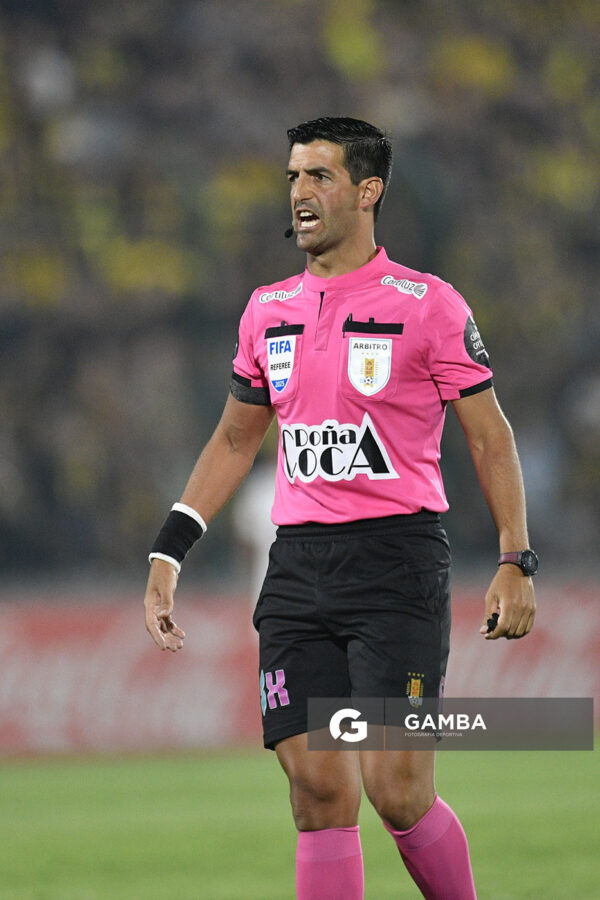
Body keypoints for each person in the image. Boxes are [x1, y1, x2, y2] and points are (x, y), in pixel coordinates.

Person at [143, 117, 537, 900]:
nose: (299, 192)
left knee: (397, 790)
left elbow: (490, 436)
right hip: (297, 568)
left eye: (318, 176)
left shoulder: (427, 304)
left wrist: (515, 558)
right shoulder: (268, 310)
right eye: (293, 176)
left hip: (396, 564)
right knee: (318, 791)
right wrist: (168, 551)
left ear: (367, 191)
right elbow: (235, 440)